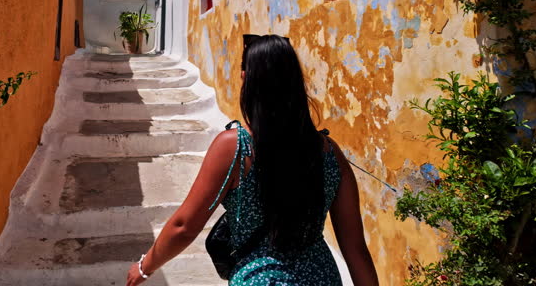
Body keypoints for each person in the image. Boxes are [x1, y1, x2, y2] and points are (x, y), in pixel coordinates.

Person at [126, 34, 379, 285]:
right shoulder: (330, 152)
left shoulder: (236, 147)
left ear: (246, 78)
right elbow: (355, 249)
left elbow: (184, 227)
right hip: (322, 276)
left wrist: (144, 267)